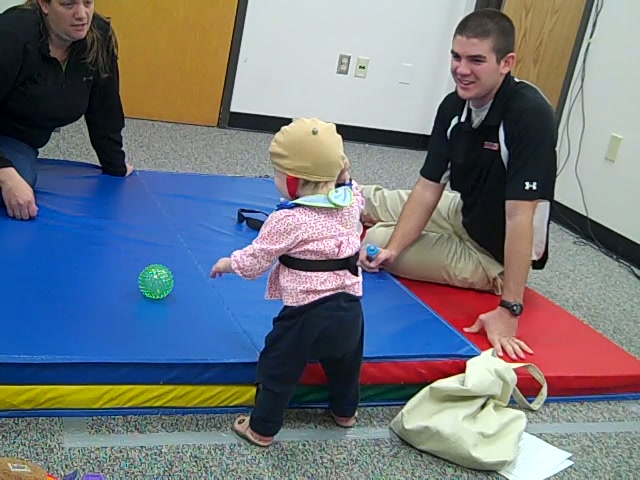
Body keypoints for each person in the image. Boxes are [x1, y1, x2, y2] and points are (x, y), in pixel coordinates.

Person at [359, 8, 558, 361]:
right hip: (466, 211)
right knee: (369, 200)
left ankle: (395, 241)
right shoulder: (454, 106)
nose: (462, 70)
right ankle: (322, 194)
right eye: (456, 57)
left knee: (376, 240)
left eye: (476, 60)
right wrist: (397, 246)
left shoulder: (529, 115)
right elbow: (428, 188)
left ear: (506, 63)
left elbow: (519, 217)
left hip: (492, 253)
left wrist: (510, 309)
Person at [210, 117, 365, 447]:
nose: (274, 178)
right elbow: (355, 192)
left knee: (277, 369)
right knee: (347, 366)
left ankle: (262, 429)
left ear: (293, 182)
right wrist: (344, 177)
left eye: (277, 173)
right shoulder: (350, 203)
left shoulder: (288, 219)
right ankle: (345, 412)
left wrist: (228, 263)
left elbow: (256, 261)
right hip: (351, 309)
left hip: (305, 316)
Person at [0, 0, 133, 221]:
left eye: (87, 3)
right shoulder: (11, 34)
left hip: (16, 139)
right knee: (11, 184)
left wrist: (114, 164)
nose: (82, 14)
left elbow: (104, 108)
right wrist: (4, 172)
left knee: (21, 180)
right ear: (44, 5)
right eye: (68, 4)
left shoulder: (98, 36)